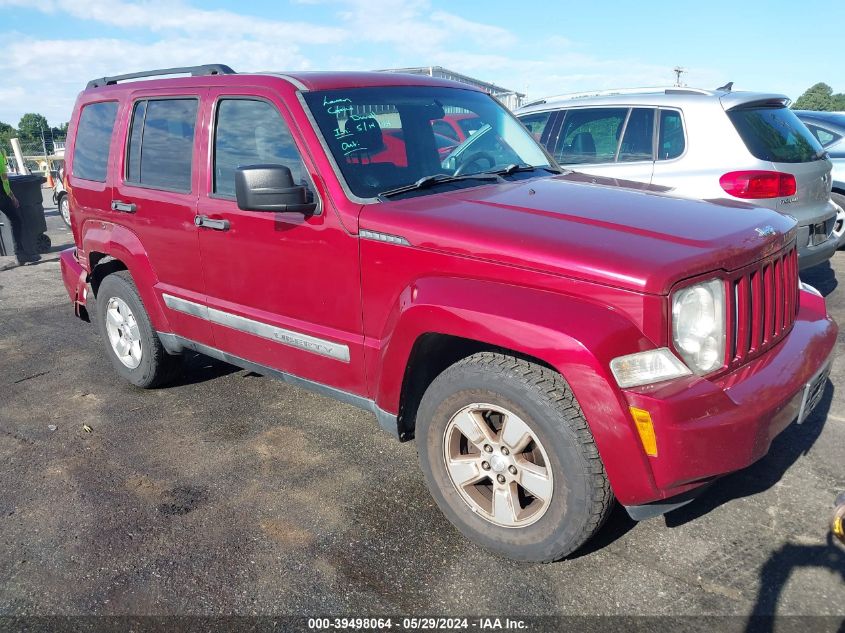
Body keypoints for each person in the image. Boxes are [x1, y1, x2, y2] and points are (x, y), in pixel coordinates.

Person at [0, 148, 39, 265]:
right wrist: (12, 196)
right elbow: (3, 176)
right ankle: (20, 253)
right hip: (1, 194)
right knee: (16, 221)